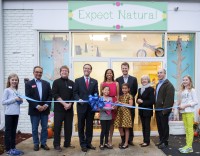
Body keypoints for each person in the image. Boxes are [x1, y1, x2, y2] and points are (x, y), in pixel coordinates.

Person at [25, 66, 52, 151]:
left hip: (45, 109)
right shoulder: (29, 84)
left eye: (40, 72)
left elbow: (50, 96)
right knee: (34, 128)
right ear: (34, 73)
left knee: (44, 127)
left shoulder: (47, 84)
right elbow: (28, 97)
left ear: (42, 73)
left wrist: (46, 105)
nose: (38, 74)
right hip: (34, 110)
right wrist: (37, 106)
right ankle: (36, 144)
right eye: (37, 72)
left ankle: (43, 143)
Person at [73, 64, 99, 152]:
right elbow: (75, 93)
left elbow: (96, 93)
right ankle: (83, 144)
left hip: (90, 108)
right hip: (81, 107)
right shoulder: (77, 80)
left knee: (89, 126)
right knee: (81, 126)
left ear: (91, 70)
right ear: (83, 69)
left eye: (88, 68)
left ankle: (88, 143)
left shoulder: (94, 81)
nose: (87, 70)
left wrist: (95, 99)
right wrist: (78, 99)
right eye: (85, 68)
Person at [52, 65, 75, 152]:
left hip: (69, 109)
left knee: (68, 127)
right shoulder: (56, 82)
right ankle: (57, 144)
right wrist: (64, 104)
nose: (64, 72)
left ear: (68, 73)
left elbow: (74, 95)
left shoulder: (72, 83)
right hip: (59, 110)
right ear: (60, 72)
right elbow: (55, 94)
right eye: (63, 71)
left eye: (66, 71)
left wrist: (69, 104)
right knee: (57, 127)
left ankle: (67, 143)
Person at [116, 62, 138, 145]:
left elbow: (135, 91)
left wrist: (128, 100)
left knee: (130, 122)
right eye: (123, 68)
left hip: (129, 105)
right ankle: (123, 140)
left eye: (126, 68)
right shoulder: (118, 79)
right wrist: (121, 102)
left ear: (128, 69)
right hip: (121, 106)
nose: (124, 69)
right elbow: (118, 91)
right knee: (121, 123)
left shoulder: (134, 79)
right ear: (121, 69)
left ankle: (130, 140)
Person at [2, 73, 24, 155]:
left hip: (16, 113)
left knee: (13, 131)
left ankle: (13, 147)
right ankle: (8, 150)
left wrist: (20, 101)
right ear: (9, 81)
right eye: (13, 80)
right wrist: (15, 99)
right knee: (8, 132)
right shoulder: (7, 90)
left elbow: (18, 103)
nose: (14, 81)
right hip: (9, 114)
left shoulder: (17, 91)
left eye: (16, 80)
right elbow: (3, 102)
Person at [155, 68, 175, 149]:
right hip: (157, 109)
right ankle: (161, 140)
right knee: (159, 126)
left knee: (164, 126)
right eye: (158, 73)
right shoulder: (158, 84)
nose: (159, 74)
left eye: (161, 73)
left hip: (163, 110)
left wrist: (165, 111)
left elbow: (169, 99)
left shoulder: (169, 85)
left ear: (165, 74)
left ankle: (165, 142)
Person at [178, 75, 198, 154]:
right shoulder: (183, 91)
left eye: (186, 80)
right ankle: (187, 145)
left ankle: (190, 147)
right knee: (186, 129)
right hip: (183, 112)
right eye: (183, 80)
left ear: (190, 81)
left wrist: (185, 106)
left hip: (189, 112)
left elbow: (196, 102)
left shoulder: (192, 90)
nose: (184, 81)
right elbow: (183, 101)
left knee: (190, 130)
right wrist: (179, 105)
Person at [100, 69, 119, 147]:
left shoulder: (116, 83)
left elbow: (117, 95)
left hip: (113, 103)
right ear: (105, 74)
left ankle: (110, 140)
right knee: (104, 124)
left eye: (110, 73)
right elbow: (100, 94)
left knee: (111, 123)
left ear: (112, 74)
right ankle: (103, 141)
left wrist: (116, 105)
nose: (109, 74)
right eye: (107, 73)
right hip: (105, 104)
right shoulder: (102, 83)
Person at [137, 75, 155, 147]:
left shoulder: (151, 89)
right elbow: (138, 99)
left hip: (147, 111)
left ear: (148, 81)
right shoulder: (140, 89)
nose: (144, 81)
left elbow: (152, 101)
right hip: (141, 111)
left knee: (147, 126)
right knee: (143, 126)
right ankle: (144, 140)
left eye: (145, 79)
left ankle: (147, 141)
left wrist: (142, 102)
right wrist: (137, 100)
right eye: (142, 79)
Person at [114, 83, 133, 149]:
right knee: (120, 127)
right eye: (123, 88)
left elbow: (130, 106)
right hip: (120, 113)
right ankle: (123, 140)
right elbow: (118, 105)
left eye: (125, 88)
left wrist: (121, 103)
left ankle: (126, 143)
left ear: (128, 89)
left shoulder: (130, 96)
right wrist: (116, 103)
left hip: (126, 114)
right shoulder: (120, 96)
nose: (124, 89)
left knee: (126, 128)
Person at [99, 86, 114, 150]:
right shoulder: (100, 98)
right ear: (102, 91)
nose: (106, 91)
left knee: (107, 131)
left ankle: (106, 143)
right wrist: (110, 108)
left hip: (109, 117)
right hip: (103, 117)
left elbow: (112, 106)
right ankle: (101, 143)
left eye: (108, 90)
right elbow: (101, 107)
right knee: (103, 130)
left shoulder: (110, 98)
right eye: (105, 90)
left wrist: (115, 105)